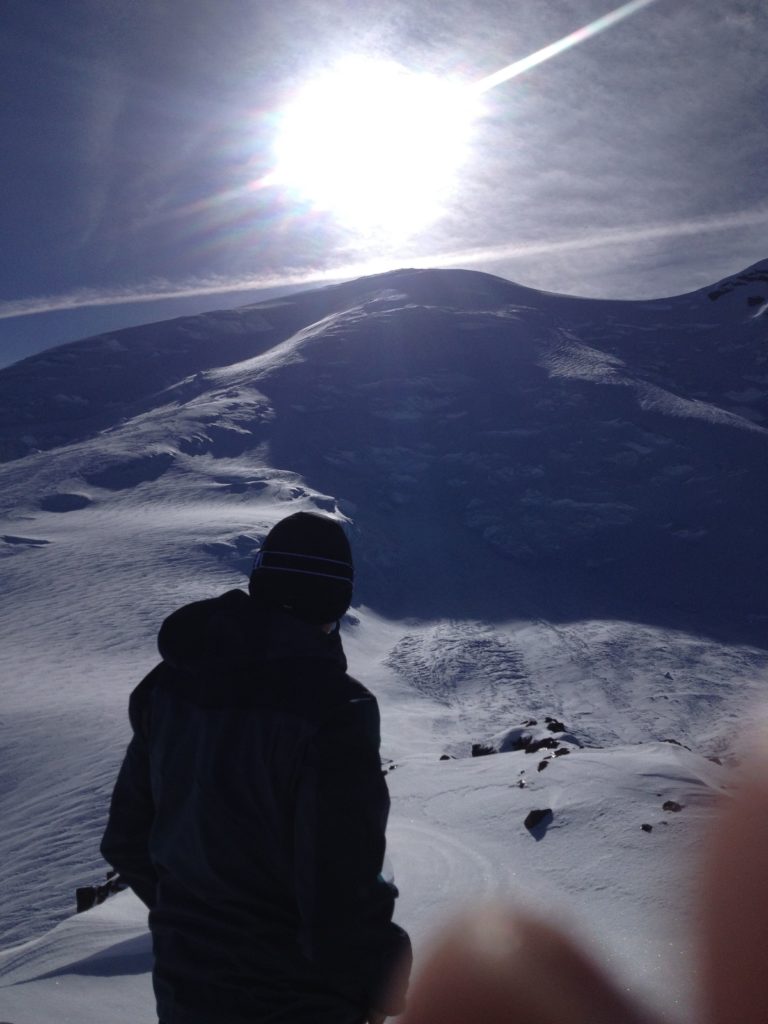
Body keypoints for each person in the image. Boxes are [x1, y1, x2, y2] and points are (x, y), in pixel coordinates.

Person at [101, 511, 411, 1024]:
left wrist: (194, 926)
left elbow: (126, 839)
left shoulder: (170, 684)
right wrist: (379, 989)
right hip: (298, 1000)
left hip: (187, 993)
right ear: (337, 598)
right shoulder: (335, 711)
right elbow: (341, 889)